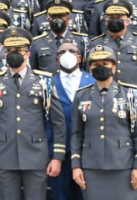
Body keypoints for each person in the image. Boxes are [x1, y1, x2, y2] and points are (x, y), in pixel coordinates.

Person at [0, 27, 65, 200]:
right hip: (4, 154)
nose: (13, 54)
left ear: (27, 54)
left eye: (18, 50)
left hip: (36, 153)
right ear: (4, 54)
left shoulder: (44, 81)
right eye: (10, 51)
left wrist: (57, 157)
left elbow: (58, 122)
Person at [70, 46, 137, 200]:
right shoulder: (81, 95)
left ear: (114, 66)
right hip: (91, 166)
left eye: (105, 63)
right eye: (95, 64)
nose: (100, 67)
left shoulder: (130, 94)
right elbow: (77, 134)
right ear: (90, 68)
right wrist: (76, 165)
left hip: (123, 165)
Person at [50, 42, 93, 200]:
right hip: (58, 151)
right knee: (61, 194)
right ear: (56, 59)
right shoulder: (47, 82)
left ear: (80, 58)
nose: (67, 54)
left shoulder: (93, 80)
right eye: (62, 52)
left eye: (72, 51)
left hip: (87, 151)